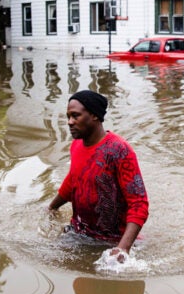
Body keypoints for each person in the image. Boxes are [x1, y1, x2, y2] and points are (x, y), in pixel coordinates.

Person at [48, 90, 149, 261]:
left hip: (113, 241)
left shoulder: (119, 151)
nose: (69, 122)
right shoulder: (76, 145)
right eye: (68, 116)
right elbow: (73, 179)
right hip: (79, 233)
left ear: (94, 115)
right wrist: (51, 208)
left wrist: (122, 249)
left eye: (75, 116)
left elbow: (139, 204)